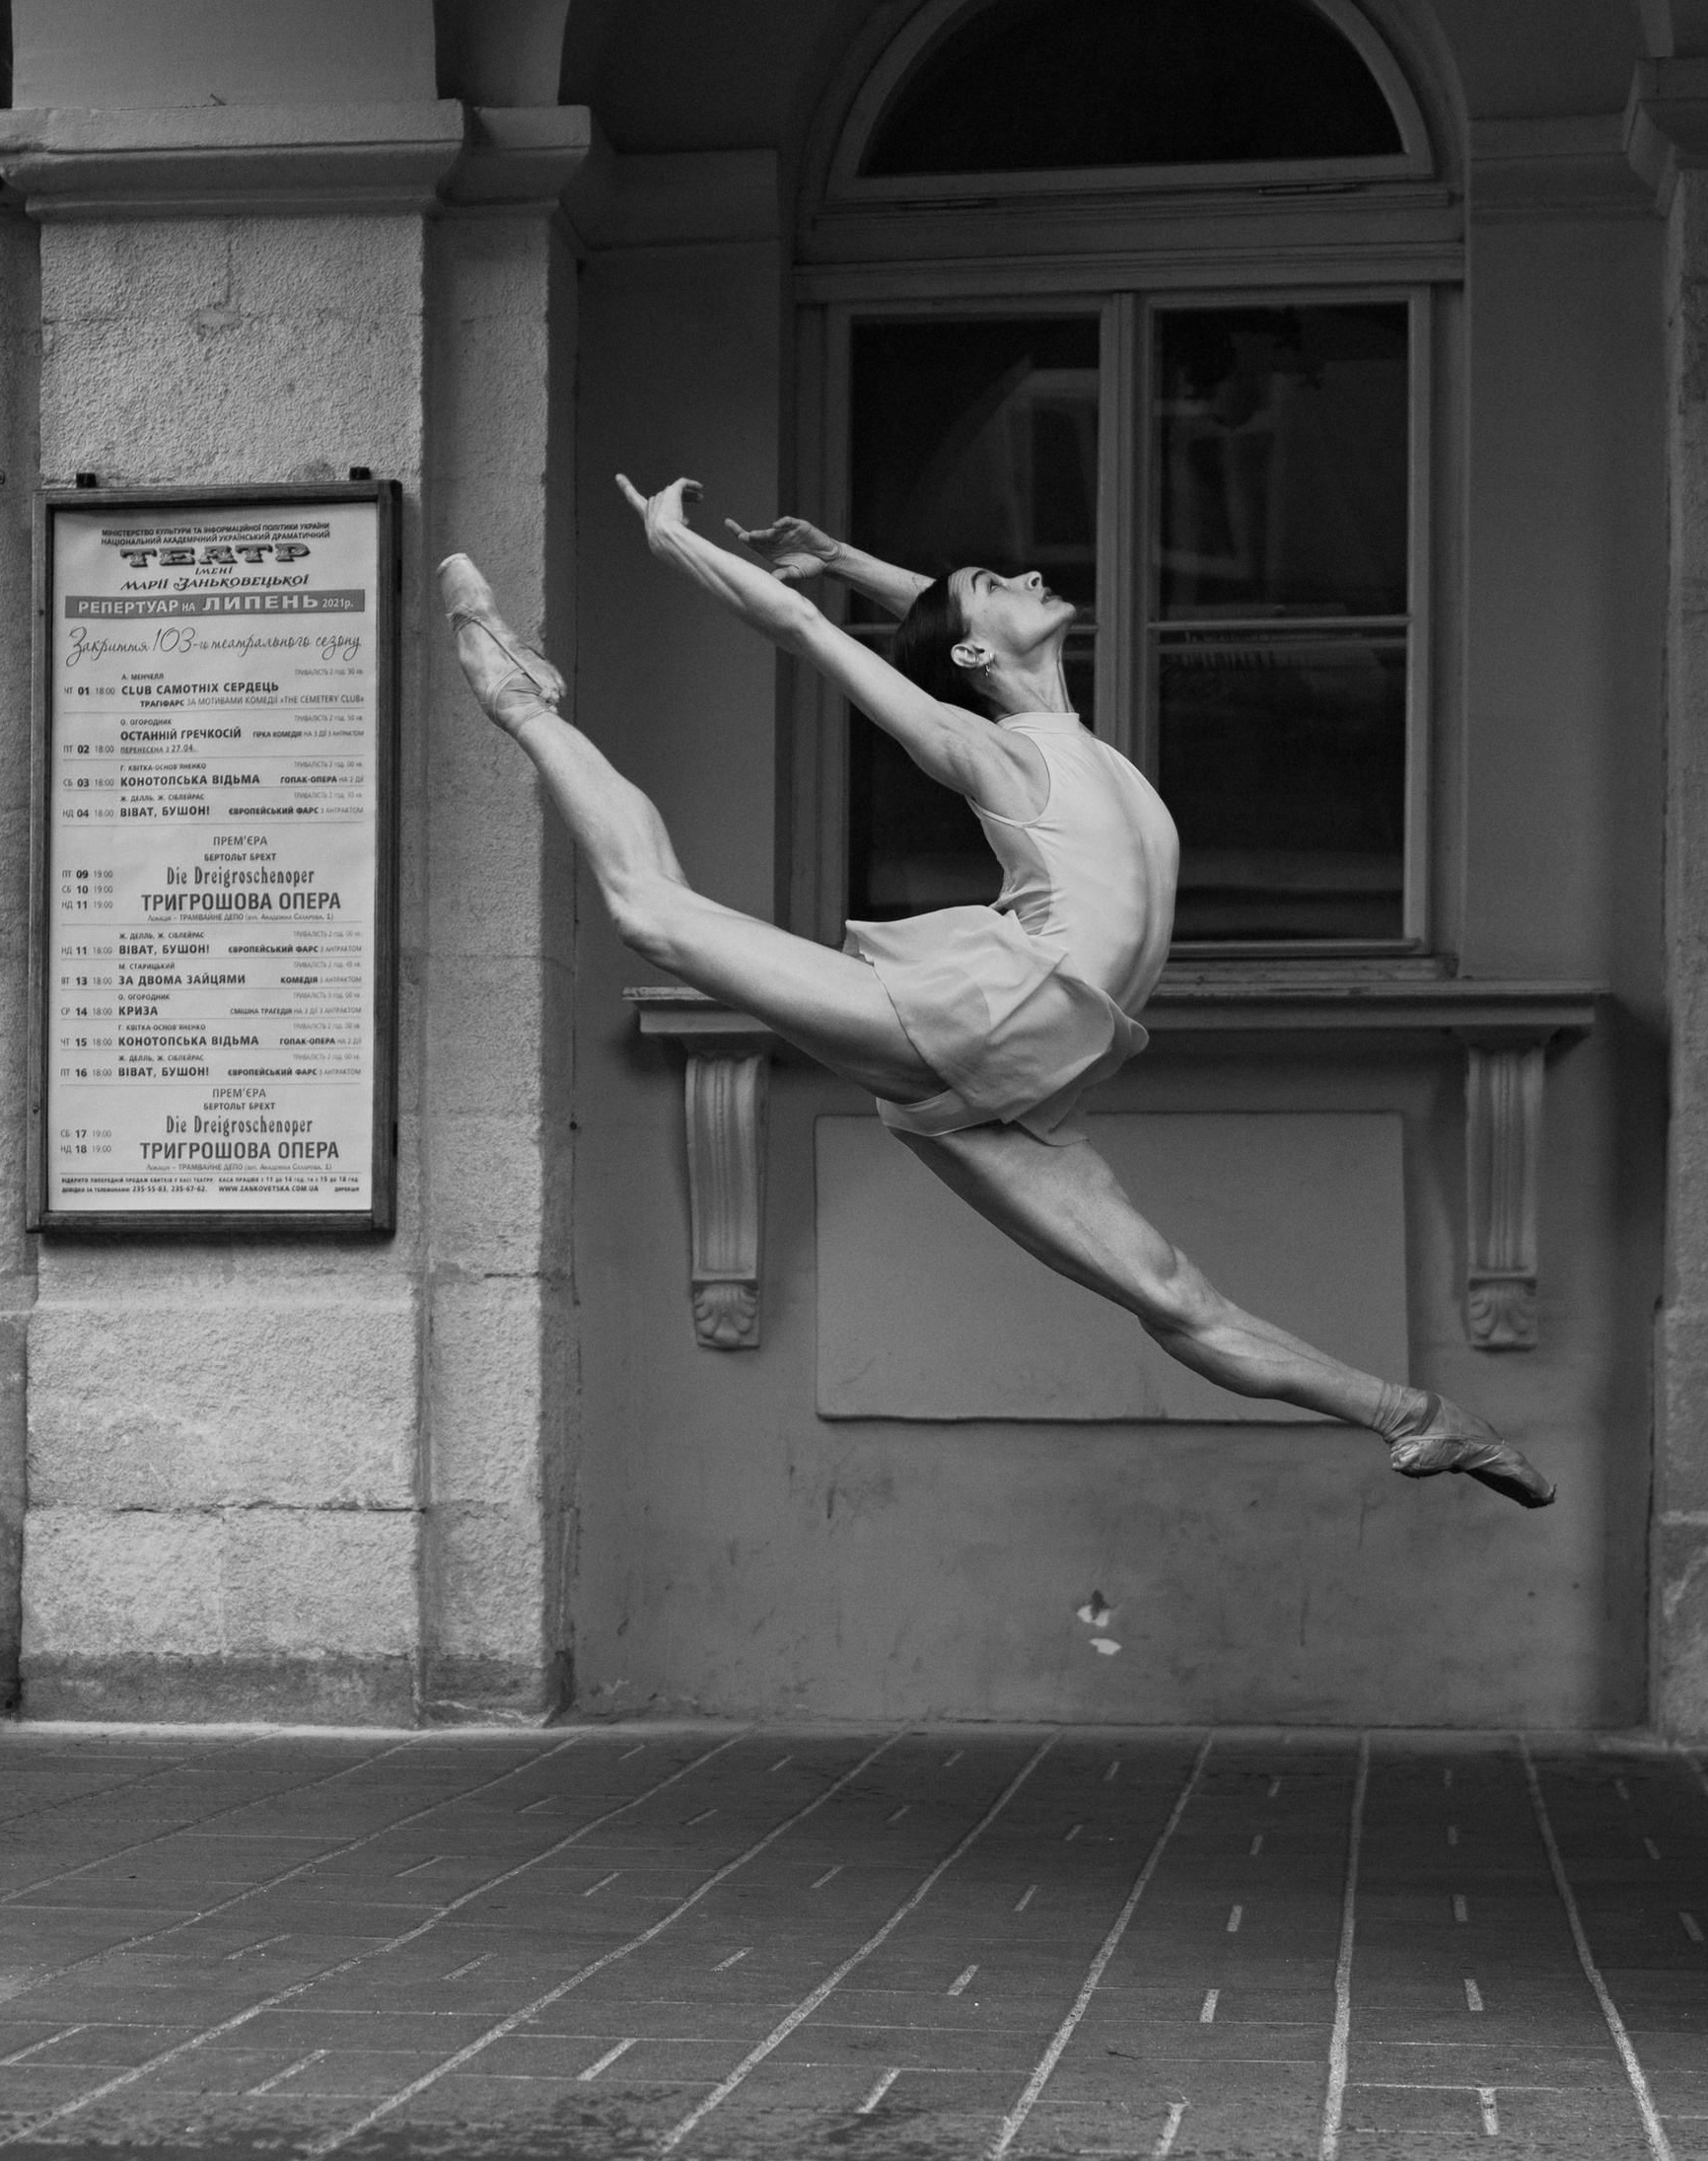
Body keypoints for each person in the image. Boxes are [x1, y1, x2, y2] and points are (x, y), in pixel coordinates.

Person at [437, 477, 1553, 1507]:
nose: (1022, 576)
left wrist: (838, 555)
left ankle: (1422, 1418)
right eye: (992, 583)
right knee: (654, 918)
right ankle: (522, 698)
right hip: (985, 1016)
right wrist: (676, 545)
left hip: (1032, 1068)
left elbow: (934, 623)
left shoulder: (1087, 750)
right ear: (974, 652)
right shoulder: (991, 750)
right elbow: (802, 632)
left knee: (1170, 1294)